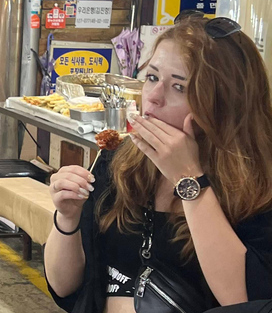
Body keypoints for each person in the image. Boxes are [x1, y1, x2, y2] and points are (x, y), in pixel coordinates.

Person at [45, 16, 272, 313]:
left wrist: (189, 179)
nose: (152, 97)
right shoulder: (121, 160)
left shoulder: (259, 186)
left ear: (225, 103)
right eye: (152, 78)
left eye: (179, 87)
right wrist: (67, 219)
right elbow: (64, 287)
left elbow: (245, 301)